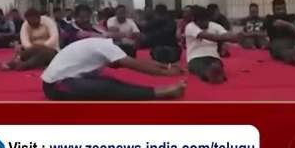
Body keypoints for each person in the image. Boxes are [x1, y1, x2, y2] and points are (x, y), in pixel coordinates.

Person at [40, 37, 186, 101]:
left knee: (108, 82)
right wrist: (165, 73)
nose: (119, 66)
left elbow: (135, 61)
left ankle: (156, 92)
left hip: (62, 81)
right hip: (57, 87)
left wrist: (164, 65)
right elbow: (135, 65)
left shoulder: (101, 45)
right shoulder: (108, 48)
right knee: (109, 87)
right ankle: (159, 93)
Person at [185, 5, 242, 84]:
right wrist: (232, 38)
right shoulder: (190, 27)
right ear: (195, 20)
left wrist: (237, 37)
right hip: (195, 57)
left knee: (216, 64)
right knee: (200, 67)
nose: (204, 23)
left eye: (206, 20)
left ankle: (214, 73)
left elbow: (226, 35)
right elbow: (211, 37)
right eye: (201, 21)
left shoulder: (215, 26)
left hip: (213, 56)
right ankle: (210, 74)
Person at [264, 0, 295, 65]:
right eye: (278, 9)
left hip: (294, 41)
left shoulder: (293, 16)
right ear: (273, 10)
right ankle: (293, 55)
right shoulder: (269, 18)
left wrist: (288, 25)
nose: (281, 11)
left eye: (283, 9)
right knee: (285, 51)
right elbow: (277, 23)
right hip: (278, 43)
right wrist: (290, 25)